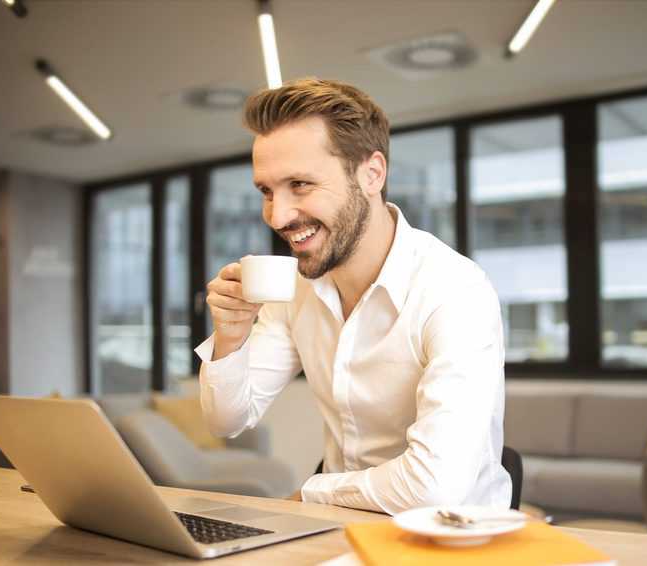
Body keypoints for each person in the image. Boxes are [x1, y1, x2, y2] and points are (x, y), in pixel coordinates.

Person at [195, 78, 511, 514]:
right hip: (341, 531)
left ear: (372, 174)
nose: (278, 216)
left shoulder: (455, 290)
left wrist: (313, 491)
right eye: (267, 191)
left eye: (300, 185)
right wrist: (230, 336)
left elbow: (435, 487)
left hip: (451, 540)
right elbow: (226, 420)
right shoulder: (297, 291)